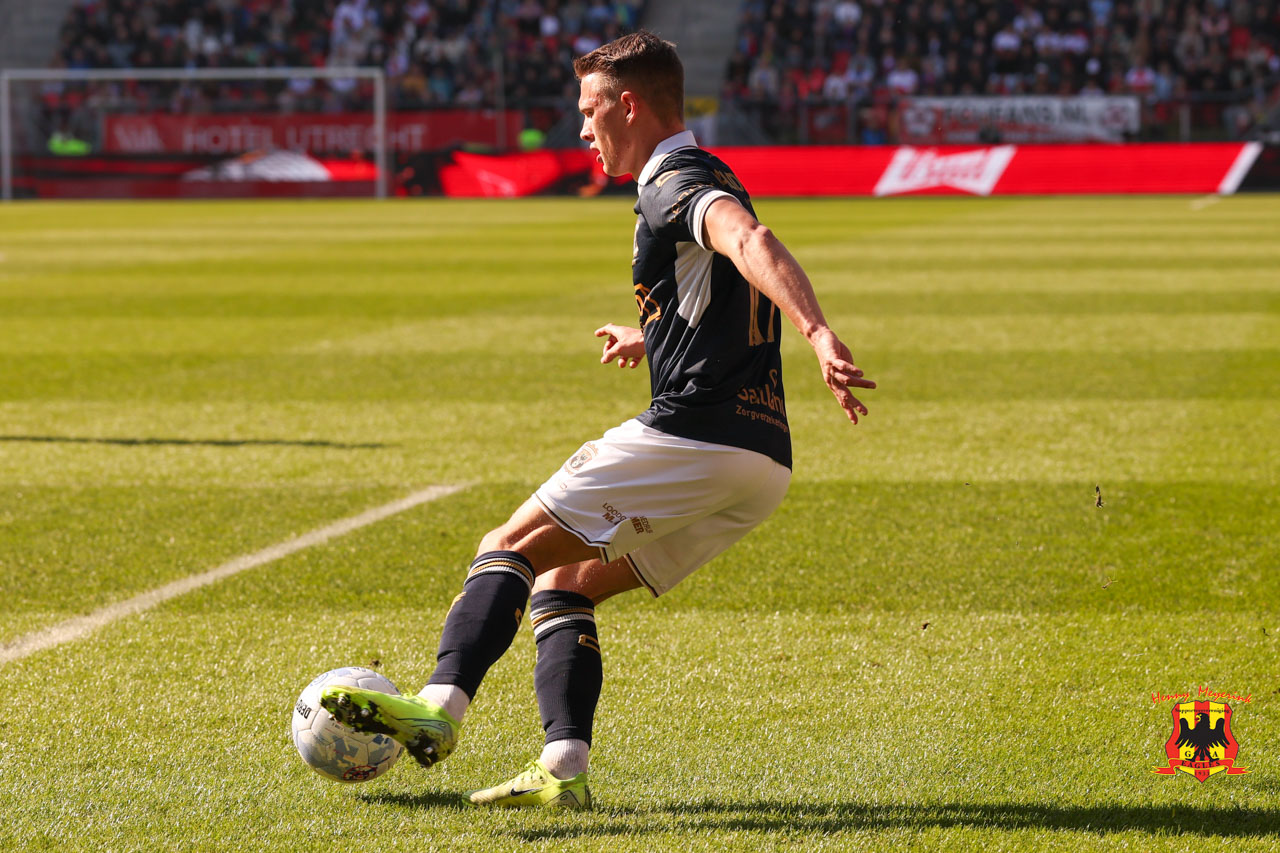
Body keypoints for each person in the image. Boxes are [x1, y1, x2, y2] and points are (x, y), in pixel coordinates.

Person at [320, 29, 874, 809]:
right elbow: (720, 287)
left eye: (589, 109)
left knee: (506, 544)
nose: (582, 128)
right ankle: (563, 767)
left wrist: (818, 332)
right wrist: (652, 332)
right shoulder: (709, 172)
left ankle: (437, 710)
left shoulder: (671, 179)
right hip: (763, 460)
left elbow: (750, 241)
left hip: (697, 432)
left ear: (629, 104)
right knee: (565, 582)